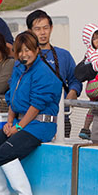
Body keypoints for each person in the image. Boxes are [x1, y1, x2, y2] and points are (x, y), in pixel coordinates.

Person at [0, 31, 62, 195]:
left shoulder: (44, 73)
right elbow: (13, 98)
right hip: (20, 121)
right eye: (20, 51)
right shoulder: (19, 68)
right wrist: (9, 123)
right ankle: (1, 192)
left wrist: (19, 127)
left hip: (40, 125)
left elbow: (36, 106)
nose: (24, 55)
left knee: (4, 153)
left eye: (28, 50)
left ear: (37, 50)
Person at [26, 9, 82, 137]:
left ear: (51, 28)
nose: (42, 33)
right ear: (30, 31)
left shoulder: (64, 55)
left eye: (45, 28)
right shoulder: (25, 57)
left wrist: (72, 93)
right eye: (37, 29)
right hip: (32, 119)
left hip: (62, 117)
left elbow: (75, 79)